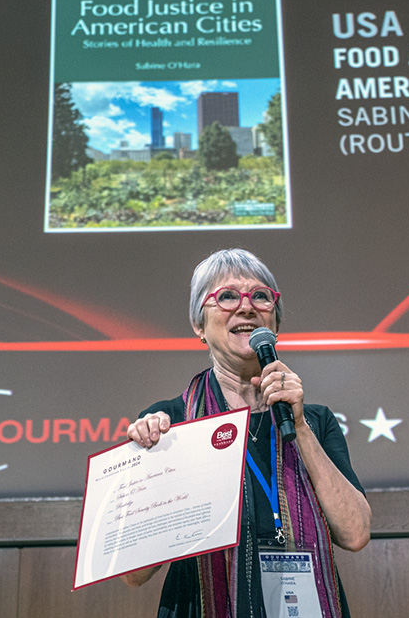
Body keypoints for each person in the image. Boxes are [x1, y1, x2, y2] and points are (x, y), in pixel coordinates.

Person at [122, 248, 371, 618]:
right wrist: (161, 470)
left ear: (275, 320)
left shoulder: (314, 421)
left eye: (260, 296)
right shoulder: (170, 424)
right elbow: (134, 573)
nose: (246, 307)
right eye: (226, 296)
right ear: (199, 325)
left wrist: (298, 426)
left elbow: (355, 533)